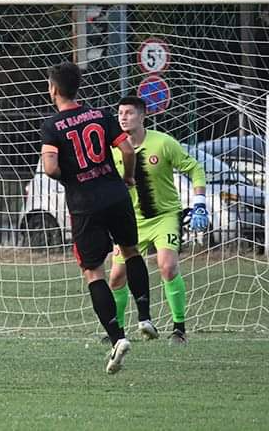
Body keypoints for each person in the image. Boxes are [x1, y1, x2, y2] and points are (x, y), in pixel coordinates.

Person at [40, 62, 152, 374]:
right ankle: (145, 315)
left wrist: (70, 177)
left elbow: (49, 168)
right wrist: (127, 179)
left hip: (84, 204)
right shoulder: (101, 114)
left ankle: (118, 338)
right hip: (116, 195)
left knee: (93, 271)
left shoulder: (52, 125)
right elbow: (128, 151)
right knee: (130, 251)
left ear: (53, 89)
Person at [110, 95, 207, 345]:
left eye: (129, 112)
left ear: (143, 116)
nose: (123, 117)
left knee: (167, 266)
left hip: (165, 216)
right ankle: (117, 331)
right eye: (120, 112)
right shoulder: (113, 149)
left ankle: (179, 328)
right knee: (116, 277)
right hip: (130, 220)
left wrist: (199, 204)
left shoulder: (163, 143)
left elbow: (195, 168)